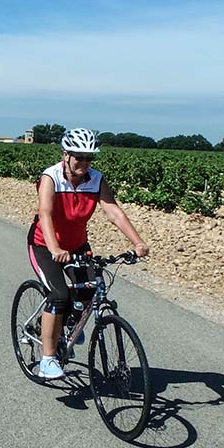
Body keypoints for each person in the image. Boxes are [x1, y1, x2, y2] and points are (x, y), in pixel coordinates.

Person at [28, 128, 150, 380]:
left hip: (77, 245)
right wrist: (54, 249)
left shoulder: (96, 179)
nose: (84, 163)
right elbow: (46, 213)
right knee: (59, 295)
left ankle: (65, 324)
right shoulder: (51, 177)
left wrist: (138, 242)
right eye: (78, 157)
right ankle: (48, 359)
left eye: (88, 158)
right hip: (44, 244)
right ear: (66, 155)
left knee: (88, 290)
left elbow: (114, 212)